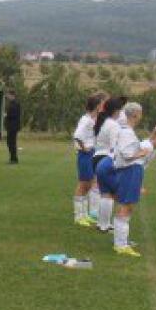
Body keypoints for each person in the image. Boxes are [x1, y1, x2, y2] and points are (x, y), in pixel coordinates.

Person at [109, 105, 156, 257]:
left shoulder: (127, 130)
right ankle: (121, 245)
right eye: (140, 113)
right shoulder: (127, 131)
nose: (141, 116)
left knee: (127, 207)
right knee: (126, 207)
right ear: (135, 114)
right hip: (130, 170)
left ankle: (121, 241)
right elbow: (127, 153)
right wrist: (140, 154)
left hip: (130, 170)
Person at [93, 96, 128, 232]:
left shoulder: (103, 122)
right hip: (107, 159)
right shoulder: (113, 125)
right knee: (111, 193)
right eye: (120, 110)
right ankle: (105, 224)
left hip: (97, 158)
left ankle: (102, 223)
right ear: (115, 110)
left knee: (105, 193)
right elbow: (114, 147)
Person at [72, 93, 105, 226]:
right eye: (101, 105)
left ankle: (85, 215)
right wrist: (84, 148)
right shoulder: (86, 120)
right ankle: (78, 216)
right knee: (83, 185)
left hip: (92, 153)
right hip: (86, 155)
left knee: (89, 185)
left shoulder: (92, 119)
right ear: (97, 106)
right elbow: (77, 135)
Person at [4, 90, 21, 163]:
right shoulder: (11, 103)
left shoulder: (15, 104)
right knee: (10, 143)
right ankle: (12, 158)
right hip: (10, 126)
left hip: (13, 126)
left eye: (8, 95)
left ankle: (14, 159)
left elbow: (14, 115)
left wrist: (7, 115)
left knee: (12, 143)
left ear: (12, 95)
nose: (7, 96)